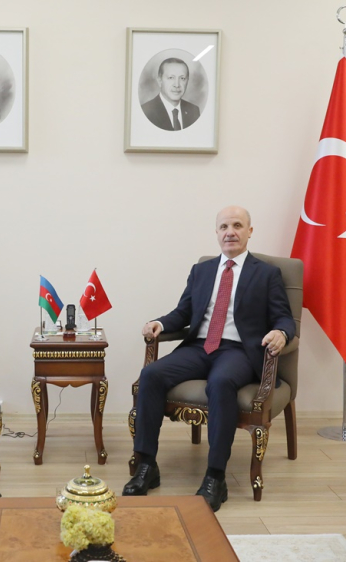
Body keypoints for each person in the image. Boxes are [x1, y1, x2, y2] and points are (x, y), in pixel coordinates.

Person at [122, 206, 295, 512]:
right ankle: (147, 465)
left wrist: (281, 332)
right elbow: (183, 312)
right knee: (151, 375)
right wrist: (159, 323)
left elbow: (284, 317)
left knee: (221, 382)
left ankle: (216, 476)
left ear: (249, 231)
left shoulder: (266, 274)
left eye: (237, 225)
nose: (230, 232)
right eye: (224, 226)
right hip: (199, 347)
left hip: (239, 350)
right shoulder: (201, 271)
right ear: (216, 232)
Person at [141, 57, 200, 131]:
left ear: (187, 81)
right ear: (159, 81)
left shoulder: (194, 111)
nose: (177, 85)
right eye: (171, 78)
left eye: (182, 78)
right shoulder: (146, 111)